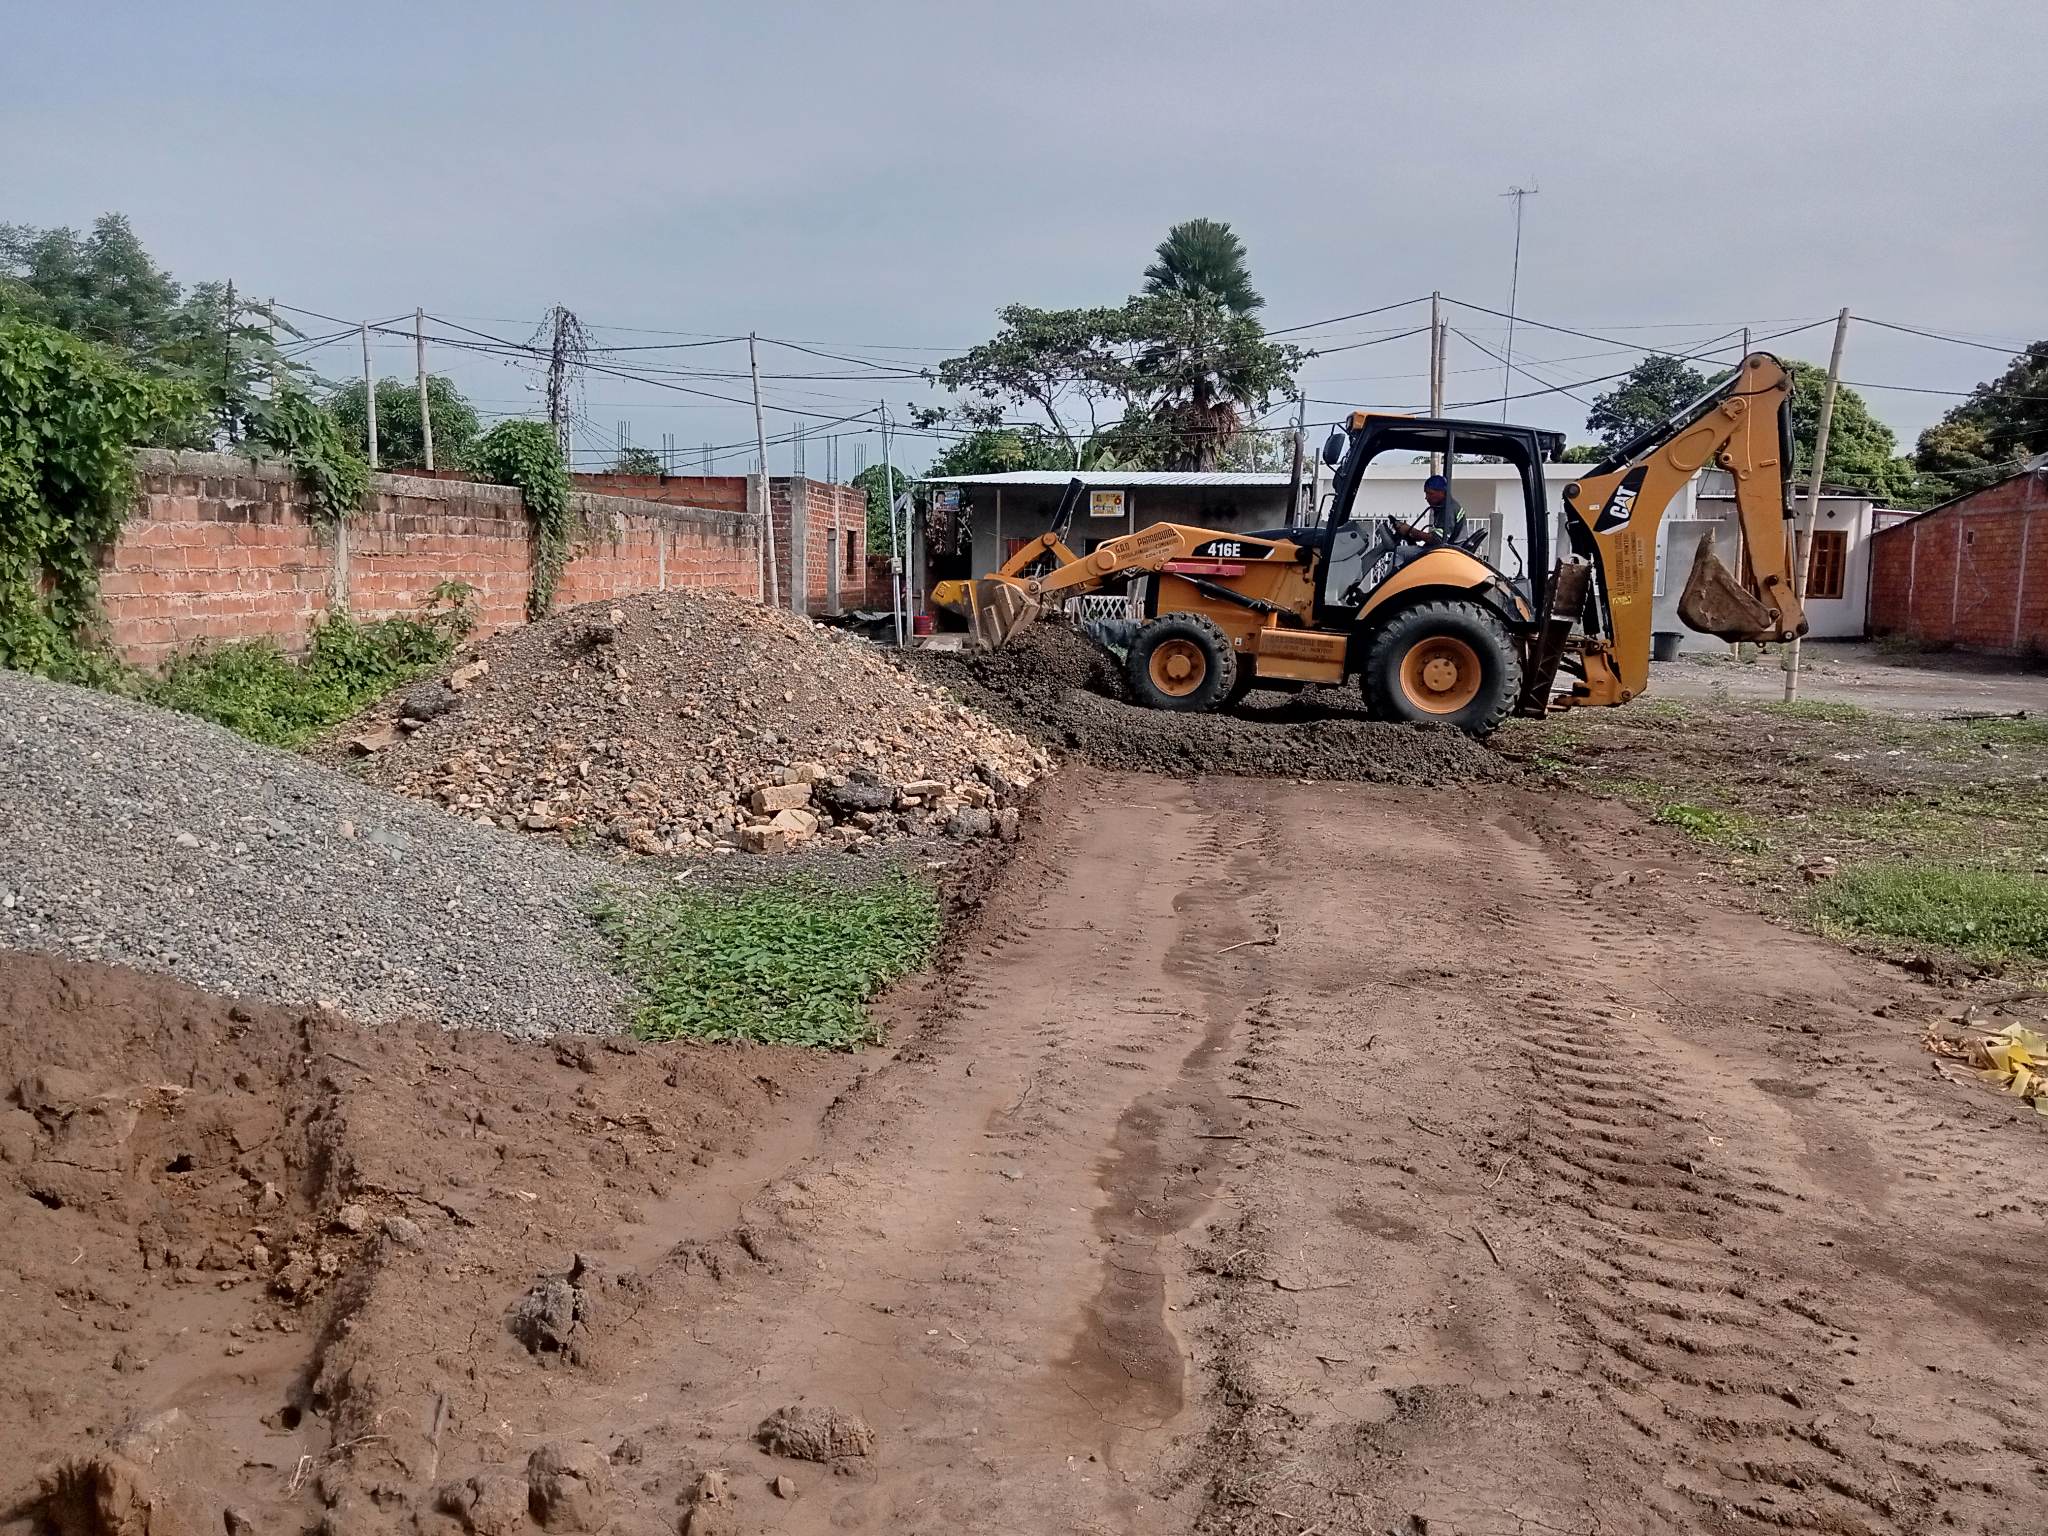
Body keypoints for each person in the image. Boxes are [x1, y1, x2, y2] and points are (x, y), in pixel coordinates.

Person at [1422, 474, 1465, 540]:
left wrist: (1414, 532)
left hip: (1453, 545)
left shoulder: (1448, 509)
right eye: (1426, 493)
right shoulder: (1441, 507)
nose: (1426, 497)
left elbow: (1439, 538)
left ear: (1442, 492)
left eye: (1430, 494)